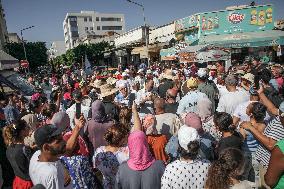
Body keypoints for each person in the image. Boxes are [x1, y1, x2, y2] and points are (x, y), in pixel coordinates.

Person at [115, 103, 165, 189]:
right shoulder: (160, 166)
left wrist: (134, 111)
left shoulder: (122, 169)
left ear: (130, 145)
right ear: (145, 144)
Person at [241, 101, 284, 188]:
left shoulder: (280, 124)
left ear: (251, 114)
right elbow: (272, 109)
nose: (280, 114)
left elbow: (270, 144)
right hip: (260, 160)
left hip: (268, 166)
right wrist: (260, 92)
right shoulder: (265, 123)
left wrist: (250, 128)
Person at [29, 124, 72, 188]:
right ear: (46, 147)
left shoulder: (36, 155)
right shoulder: (53, 174)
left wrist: (63, 169)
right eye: (59, 141)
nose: (65, 142)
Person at [3, 120, 33, 189]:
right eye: (27, 127)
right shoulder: (24, 149)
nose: (29, 128)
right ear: (22, 132)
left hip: (18, 182)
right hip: (29, 183)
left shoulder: (9, 149)